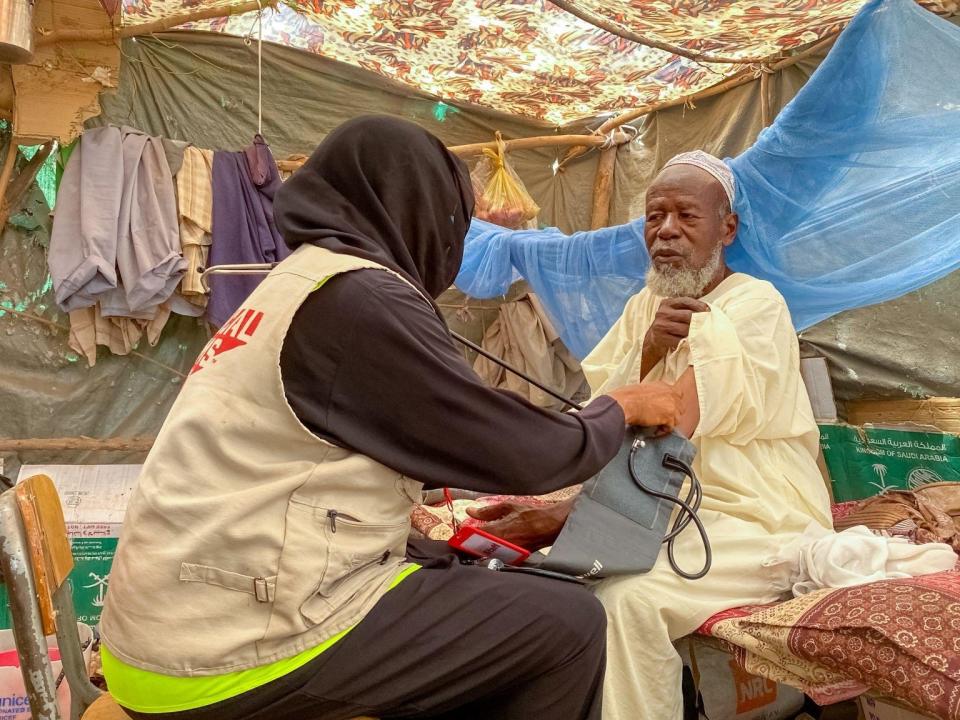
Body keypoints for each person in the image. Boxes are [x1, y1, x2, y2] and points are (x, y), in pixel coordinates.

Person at [97, 116, 682, 720]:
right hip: (219, 655)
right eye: (455, 219)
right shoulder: (357, 298)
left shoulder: (297, 280)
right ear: (414, 206)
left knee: (462, 575)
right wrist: (621, 407)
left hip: (168, 625)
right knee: (567, 623)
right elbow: (522, 453)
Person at [469, 151, 834, 720]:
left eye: (686, 216)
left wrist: (568, 514)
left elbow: (670, 422)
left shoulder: (757, 304)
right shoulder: (644, 306)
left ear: (726, 229)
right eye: (653, 216)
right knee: (547, 584)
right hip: (657, 508)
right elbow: (607, 412)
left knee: (623, 600)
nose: (665, 231)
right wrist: (651, 351)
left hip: (752, 516)